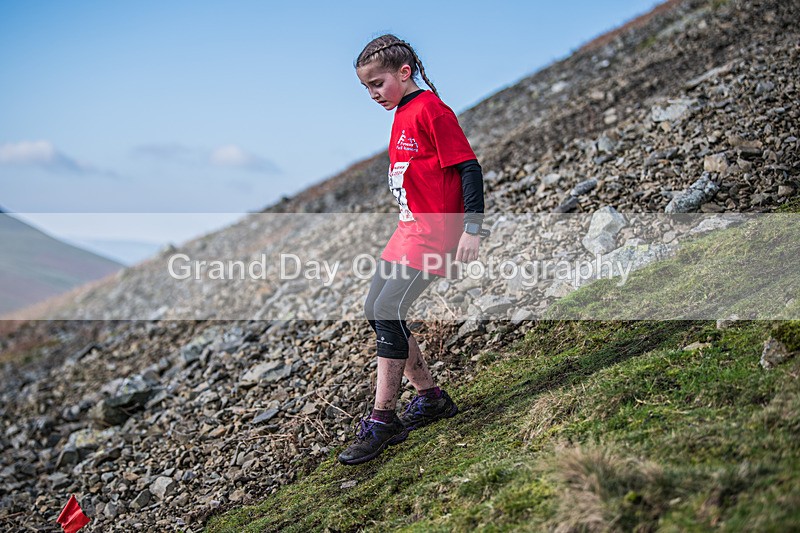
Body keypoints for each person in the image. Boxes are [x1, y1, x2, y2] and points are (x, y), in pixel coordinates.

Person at [337, 34, 488, 465]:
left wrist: (471, 229)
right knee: (377, 309)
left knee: (387, 312)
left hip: (436, 238)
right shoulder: (402, 111)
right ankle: (431, 398)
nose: (372, 94)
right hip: (408, 233)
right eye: (366, 87)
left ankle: (383, 420)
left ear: (404, 73)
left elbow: (468, 168)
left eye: (378, 83)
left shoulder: (431, 111)